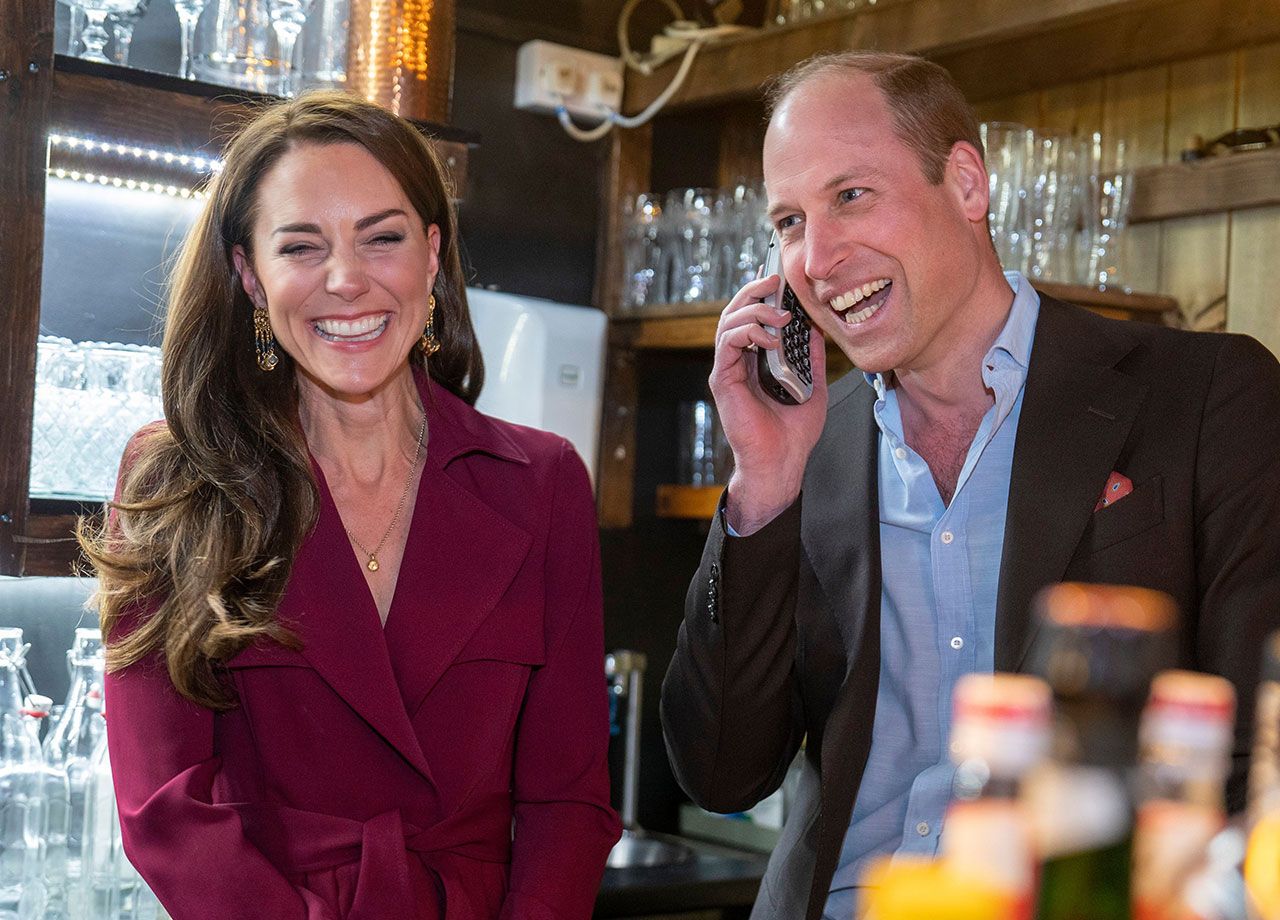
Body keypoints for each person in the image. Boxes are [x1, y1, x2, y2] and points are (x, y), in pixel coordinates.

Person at [660, 50, 1280, 920]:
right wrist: (762, 485)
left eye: (851, 196)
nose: (819, 257)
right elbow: (722, 772)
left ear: (965, 184)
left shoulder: (1209, 393)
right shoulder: (808, 445)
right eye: (790, 220)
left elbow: (1262, 752)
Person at [81, 92, 621, 919]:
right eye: (302, 246)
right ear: (249, 276)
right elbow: (167, 809)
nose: (346, 280)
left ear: (432, 254)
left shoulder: (542, 482)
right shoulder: (173, 478)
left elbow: (568, 802)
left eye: (383, 238)